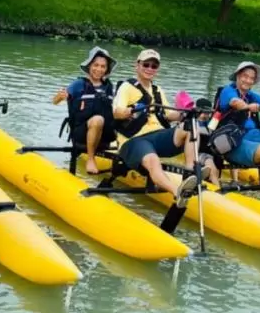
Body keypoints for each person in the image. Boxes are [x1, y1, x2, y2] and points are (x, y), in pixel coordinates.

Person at [111, 49, 199, 208]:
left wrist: (186, 114)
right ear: (137, 65)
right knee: (153, 161)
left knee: (192, 126)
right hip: (133, 140)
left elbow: (169, 114)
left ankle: (189, 173)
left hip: (157, 136)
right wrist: (128, 111)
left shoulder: (157, 90)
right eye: (146, 64)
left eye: (154, 66)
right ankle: (177, 192)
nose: (150, 68)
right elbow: (117, 112)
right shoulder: (127, 87)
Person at [53, 46, 117, 174]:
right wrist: (60, 97)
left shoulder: (110, 88)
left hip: (105, 137)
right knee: (98, 120)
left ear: (106, 69)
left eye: (103, 66)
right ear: (89, 66)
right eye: (95, 65)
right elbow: (55, 101)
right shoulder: (78, 85)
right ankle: (91, 159)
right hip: (81, 134)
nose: (98, 69)